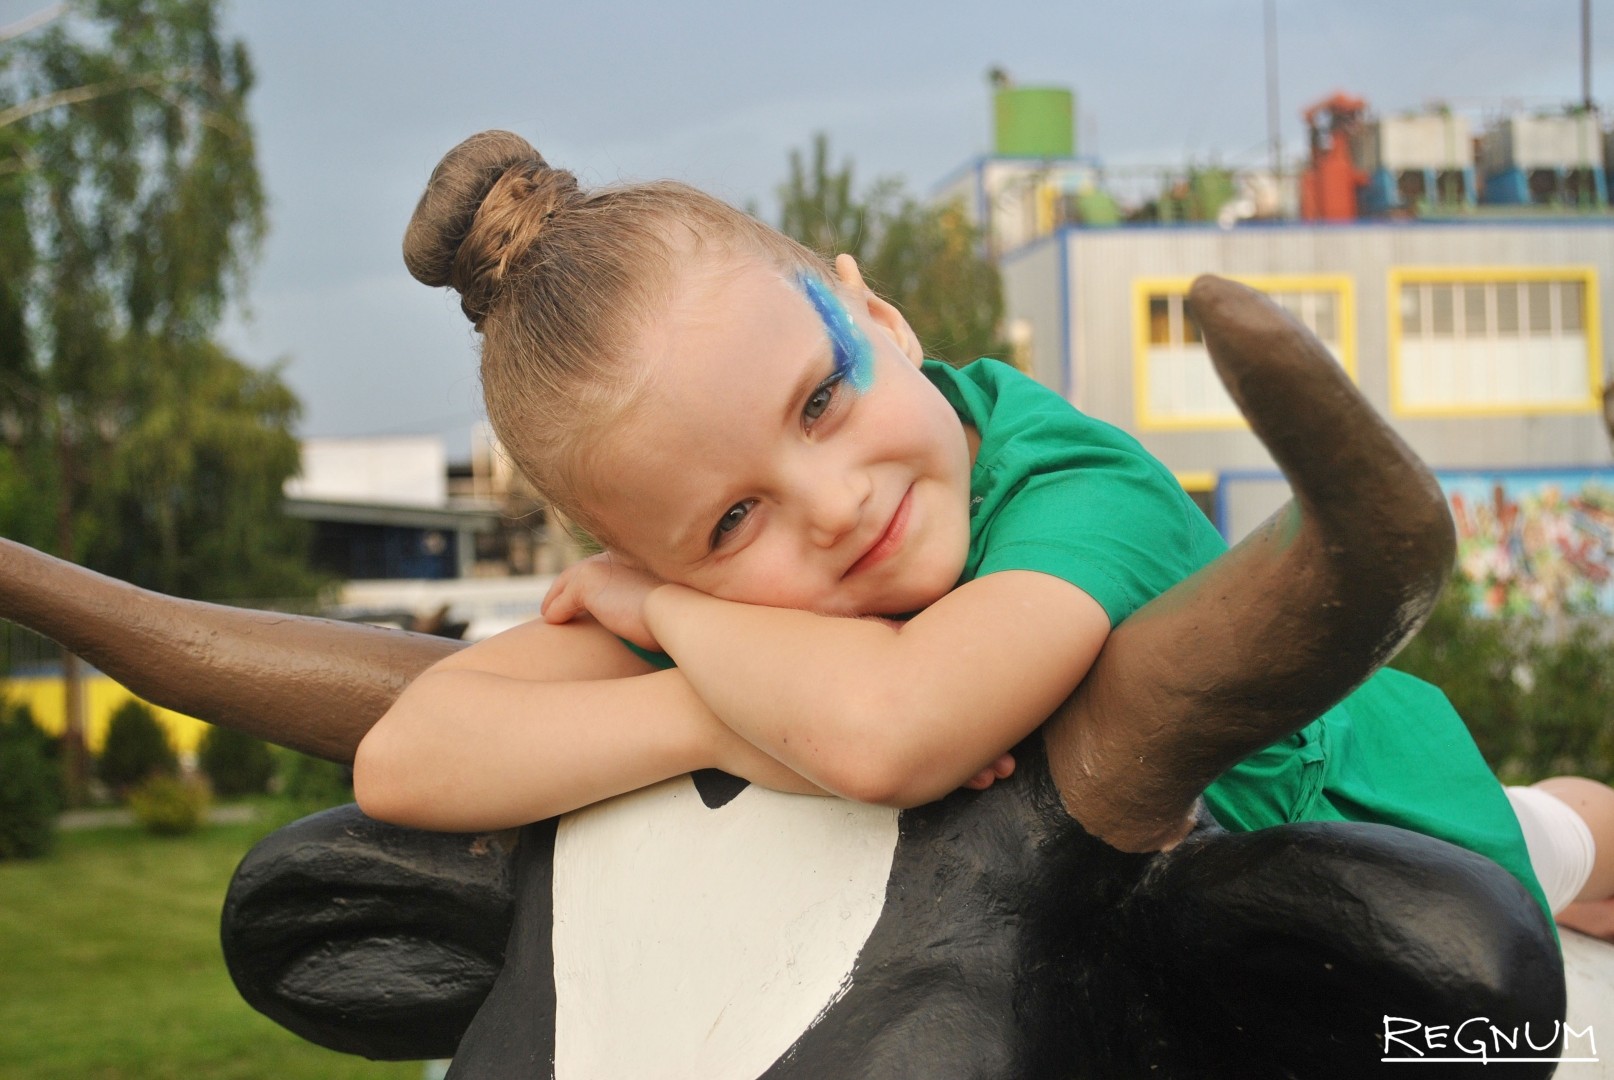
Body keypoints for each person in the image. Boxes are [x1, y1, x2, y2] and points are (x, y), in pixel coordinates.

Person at [352, 129, 1614, 928]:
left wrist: (677, 625)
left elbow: (895, 729)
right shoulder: (732, 606)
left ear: (878, 315)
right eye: (733, 519)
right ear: (632, 544)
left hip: (1365, 829)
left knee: (1561, 849)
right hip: (1099, 953)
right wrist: (709, 698)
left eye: (823, 397)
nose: (835, 505)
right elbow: (407, 759)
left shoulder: (1080, 487)